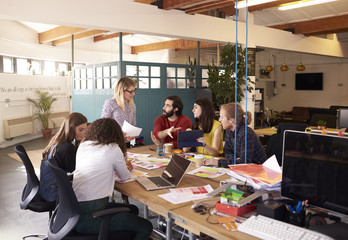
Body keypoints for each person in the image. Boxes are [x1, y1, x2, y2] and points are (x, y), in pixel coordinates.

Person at [72, 118, 152, 239]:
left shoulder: (83, 146)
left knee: (132, 209)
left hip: (74, 214)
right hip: (91, 219)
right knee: (146, 226)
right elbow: (124, 176)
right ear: (116, 134)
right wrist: (127, 167)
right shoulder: (113, 148)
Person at [40, 112, 88, 202]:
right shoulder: (67, 148)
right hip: (54, 193)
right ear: (71, 129)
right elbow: (76, 171)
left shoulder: (56, 141)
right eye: (81, 130)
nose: (84, 133)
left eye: (85, 129)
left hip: (46, 189)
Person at [219, 102, 267, 167]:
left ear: (231, 120)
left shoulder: (246, 133)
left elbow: (244, 162)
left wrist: (218, 162)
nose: (219, 120)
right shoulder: (229, 131)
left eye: (222, 117)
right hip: (244, 169)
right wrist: (235, 159)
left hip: (259, 170)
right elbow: (227, 152)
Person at [101, 77, 136, 143]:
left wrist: (132, 134)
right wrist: (118, 133)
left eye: (134, 91)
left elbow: (133, 124)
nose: (133, 94)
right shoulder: (110, 103)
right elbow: (104, 125)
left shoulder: (132, 105)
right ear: (121, 90)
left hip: (125, 143)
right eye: (131, 91)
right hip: (111, 143)